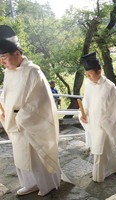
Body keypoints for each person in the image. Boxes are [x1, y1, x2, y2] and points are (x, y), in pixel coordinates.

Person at [0, 25, 61, 196]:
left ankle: (46, 185)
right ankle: (30, 183)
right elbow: (7, 95)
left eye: (4, 57)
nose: (2, 62)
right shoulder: (8, 72)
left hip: (30, 123)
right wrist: (5, 111)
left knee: (36, 158)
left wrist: (20, 117)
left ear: (17, 54)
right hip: (14, 123)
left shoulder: (33, 72)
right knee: (21, 158)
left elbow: (39, 102)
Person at [79, 51, 116, 183]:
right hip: (92, 123)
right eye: (87, 75)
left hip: (105, 124)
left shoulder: (109, 87)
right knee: (103, 149)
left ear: (99, 71)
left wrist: (105, 122)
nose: (88, 77)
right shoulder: (89, 84)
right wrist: (83, 115)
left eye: (90, 74)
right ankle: (115, 167)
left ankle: (99, 176)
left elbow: (115, 109)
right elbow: (86, 102)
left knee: (100, 150)